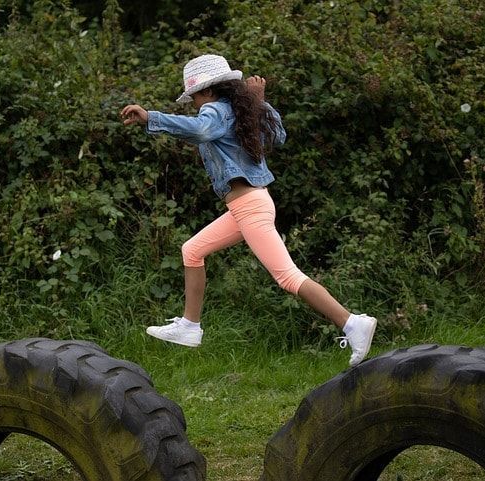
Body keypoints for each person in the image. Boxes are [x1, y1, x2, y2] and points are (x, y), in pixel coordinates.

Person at [120, 54, 376, 366]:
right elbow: (277, 135)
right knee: (192, 250)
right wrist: (259, 103)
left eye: (195, 96)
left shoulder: (214, 110)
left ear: (208, 91)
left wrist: (152, 118)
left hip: (249, 207)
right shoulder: (238, 111)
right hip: (248, 206)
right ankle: (190, 326)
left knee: (287, 277)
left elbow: (200, 130)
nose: (194, 103)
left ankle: (352, 323)